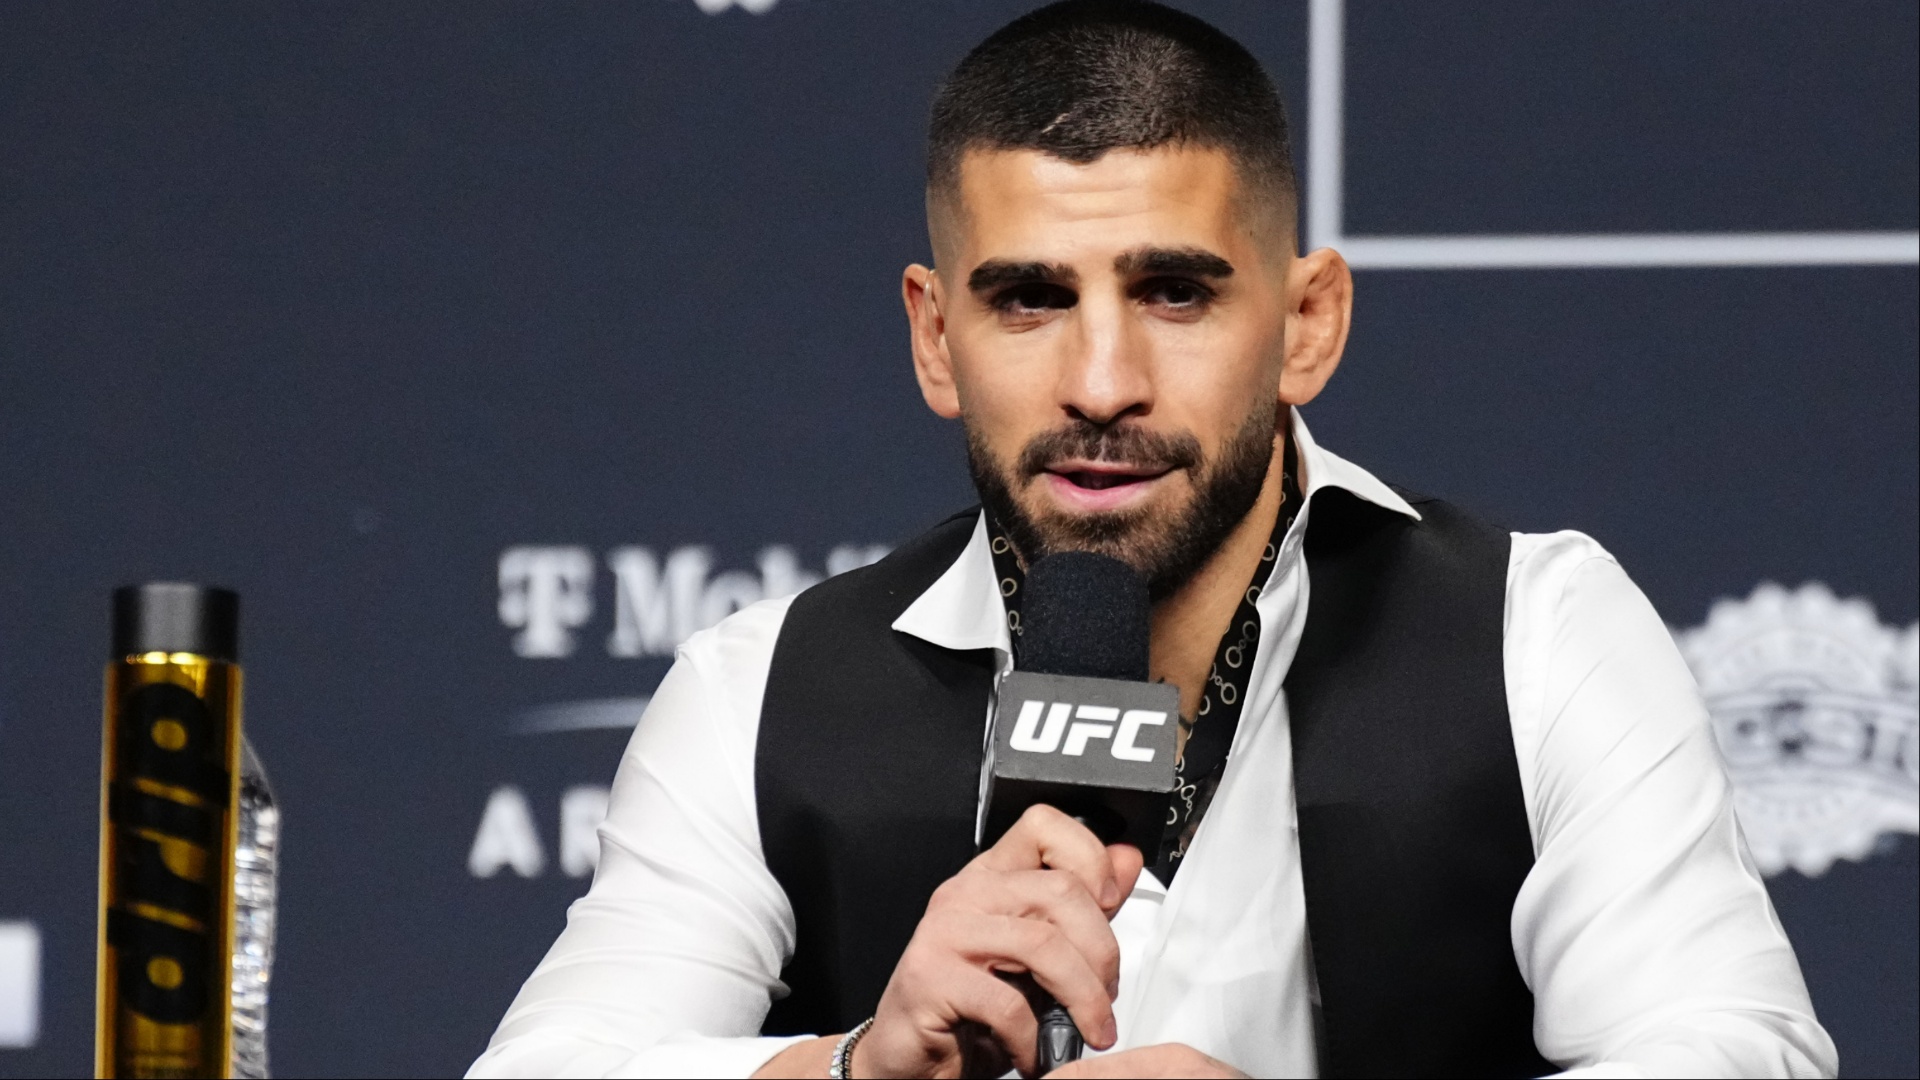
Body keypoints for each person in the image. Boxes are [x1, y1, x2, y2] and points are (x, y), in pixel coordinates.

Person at [468, 3, 1835, 1076]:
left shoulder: (1540, 634)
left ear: (1305, 324)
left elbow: (1731, 1051)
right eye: (1028, 299)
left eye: (1174, 292)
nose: (1102, 382)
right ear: (936, 338)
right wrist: (851, 1069)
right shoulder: (757, 689)